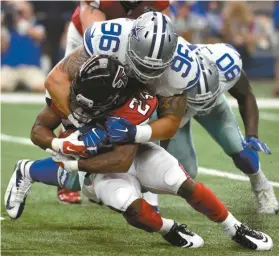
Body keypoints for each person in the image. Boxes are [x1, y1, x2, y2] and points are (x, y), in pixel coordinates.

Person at [5, 55, 273, 250]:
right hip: (97, 170)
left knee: (180, 181)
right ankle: (169, 227)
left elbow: (122, 160)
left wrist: (76, 161)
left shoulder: (133, 103)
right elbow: (39, 129)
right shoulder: (76, 90)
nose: (82, 102)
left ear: (114, 97)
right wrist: (61, 146)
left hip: (126, 155)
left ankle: (235, 227)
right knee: (131, 207)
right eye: (80, 91)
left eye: (91, 99)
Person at [109, 41, 279, 214]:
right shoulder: (166, 81)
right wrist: (152, 200)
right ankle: (131, 188)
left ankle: (262, 187)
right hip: (176, 109)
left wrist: (252, 135)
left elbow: (246, 96)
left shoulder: (226, 63)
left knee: (241, 151)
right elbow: (157, 139)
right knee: (186, 170)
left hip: (213, 104)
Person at [59, 1, 169, 204]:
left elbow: (163, 27)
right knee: (80, 96)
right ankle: (67, 172)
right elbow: (96, 37)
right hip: (97, 40)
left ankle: (142, 188)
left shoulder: (158, 3)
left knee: (145, 105)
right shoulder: (102, 9)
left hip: (135, 44)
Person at [1, 1, 46, 92]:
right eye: (18, 11)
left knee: (43, 87)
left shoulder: (37, 26)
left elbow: (39, 36)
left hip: (30, 68)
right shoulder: (7, 28)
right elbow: (3, 48)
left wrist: (24, 25)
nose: (21, 14)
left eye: (24, 11)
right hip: (10, 68)